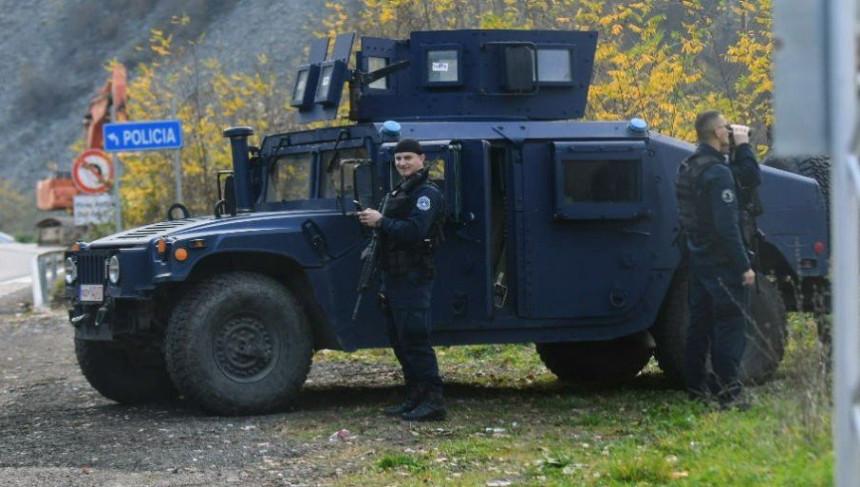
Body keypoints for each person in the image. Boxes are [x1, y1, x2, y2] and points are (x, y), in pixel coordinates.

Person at [357, 138, 447, 421]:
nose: (403, 163)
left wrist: (381, 221)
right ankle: (414, 397)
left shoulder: (426, 194)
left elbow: (415, 230)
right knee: (401, 340)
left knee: (416, 339)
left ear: (422, 159)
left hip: (414, 275)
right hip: (395, 276)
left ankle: (433, 402)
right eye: (398, 159)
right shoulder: (399, 190)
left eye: (408, 158)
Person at [675, 110, 759, 410]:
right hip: (722, 263)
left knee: (699, 325)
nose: (731, 131)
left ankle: (697, 388)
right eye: (727, 127)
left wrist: (739, 151)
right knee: (729, 326)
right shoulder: (717, 173)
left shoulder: (689, 166)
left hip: (698, 259)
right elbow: (726, 227)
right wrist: (743, 266)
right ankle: (729, 394)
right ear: (718, 134)